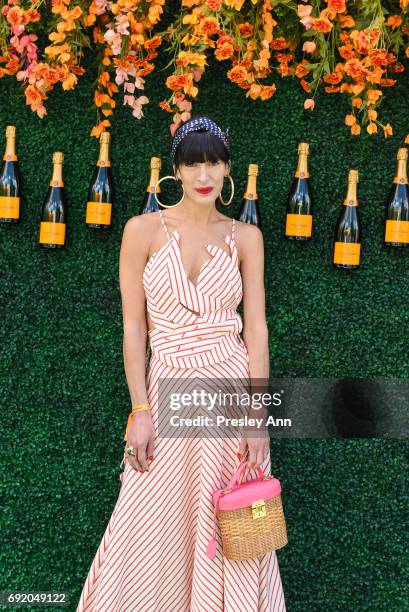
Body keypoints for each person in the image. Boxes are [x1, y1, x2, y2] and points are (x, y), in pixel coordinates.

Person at [76, 115, 286, 611]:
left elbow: (256, 329)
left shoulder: (246, 238)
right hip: (166, 389)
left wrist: (259, 418)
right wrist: (140, 410)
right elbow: (135, 329)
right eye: (193, 164)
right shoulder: (141, 231)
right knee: (145, 514)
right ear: (176, 171)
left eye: (213, 162)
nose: (204, 175)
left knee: (228, 522)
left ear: (228, 169)